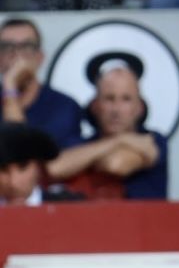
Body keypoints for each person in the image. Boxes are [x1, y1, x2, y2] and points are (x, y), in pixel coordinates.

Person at [47, 57, 168, 198]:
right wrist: (120, 140)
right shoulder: (81, 142)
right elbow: (55, 168)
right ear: (94, 106)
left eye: (126, 99)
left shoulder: (154, 140)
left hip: (144, 220)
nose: (116, 110)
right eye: (109, 99)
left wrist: (84, 159)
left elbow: (116, 165)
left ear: (140, 107)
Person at [0, 16, 83, 145]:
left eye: (26, 47)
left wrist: (10, 86)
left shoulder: (63, 106)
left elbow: (18, 156)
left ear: (40, 57)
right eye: (7, 47)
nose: (17, 55)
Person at [0, 120, 60, 203]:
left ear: (39, 167)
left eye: (23, 167)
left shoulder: (69, 204)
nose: (14, 183)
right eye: (3, 169)